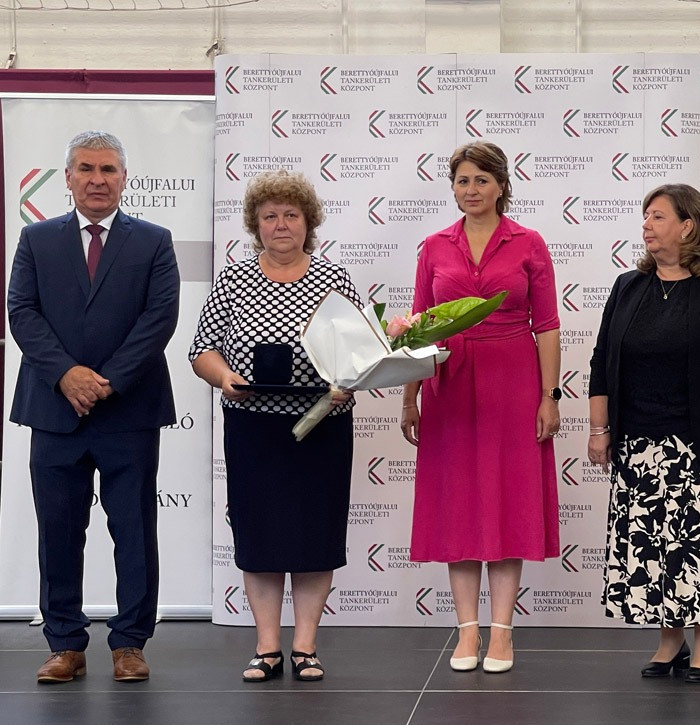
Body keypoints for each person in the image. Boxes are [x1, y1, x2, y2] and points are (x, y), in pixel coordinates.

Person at [7, 131, 180, 683]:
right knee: (58, 531)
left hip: (129, 410)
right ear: (68, 178)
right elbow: (22, 312)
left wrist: (105, 382)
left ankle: (130, 643)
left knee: (134, 532)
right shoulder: (36, 239)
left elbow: (160, 317)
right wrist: (66, 374)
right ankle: (65, 644)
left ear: (124, 178)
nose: (97, 179)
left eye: (108, 169)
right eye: (86, 169)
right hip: (54, 411)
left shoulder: (153, 241)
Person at [189, 170, 359, 683]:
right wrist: (224, 377)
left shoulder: (334, 278)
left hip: (322, 425)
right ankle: (266, 646)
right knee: (260, 534)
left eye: (291, 215)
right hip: (253, 428)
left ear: (308, 222)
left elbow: (359, 352)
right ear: (255, 224)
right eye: (270, 216)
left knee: (315, 534)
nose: (281, 224)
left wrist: (348, 380)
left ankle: (305, 646)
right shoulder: (233, 278)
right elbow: (202, 350)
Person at [588, 183, 700, 682]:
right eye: (645, 216)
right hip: (638, 442)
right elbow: (602, 360)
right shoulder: (628, 286)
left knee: (699, 544)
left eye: (657, 216)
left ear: (688, 226)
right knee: (652, 548)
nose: (646, 225)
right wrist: (599, 428)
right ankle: (669, 639)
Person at [401, 141, 560, 674]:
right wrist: (409, 396)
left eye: (481, 180)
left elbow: (547, 326)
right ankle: (467, 630)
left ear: (501, 186)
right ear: (453, 188)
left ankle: (502, 632)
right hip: (448, 387)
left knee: (508, 503)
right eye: (462, 181)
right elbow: (419, 327)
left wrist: (549, 396)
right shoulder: (433, 246)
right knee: (458, 506)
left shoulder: (529, 243)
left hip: (513, 383)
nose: (471, 190)